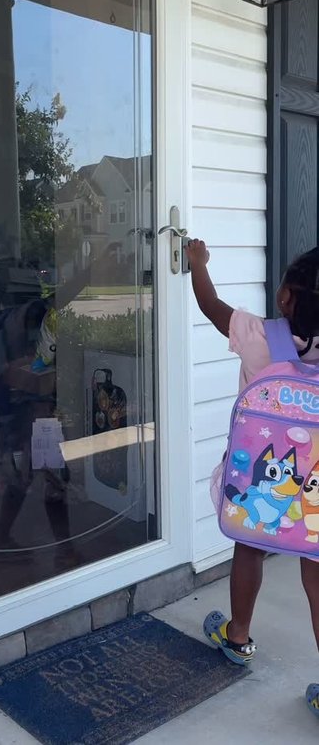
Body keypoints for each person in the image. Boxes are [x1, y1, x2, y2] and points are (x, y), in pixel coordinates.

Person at [186, 239, 319, 715]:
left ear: (285, 297)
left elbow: (209, 303)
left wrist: (197, 263)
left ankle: (237, 635)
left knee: (249, 546)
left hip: (261, 484)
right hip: (314, 495)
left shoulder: (259, 336)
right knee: (317, 575)